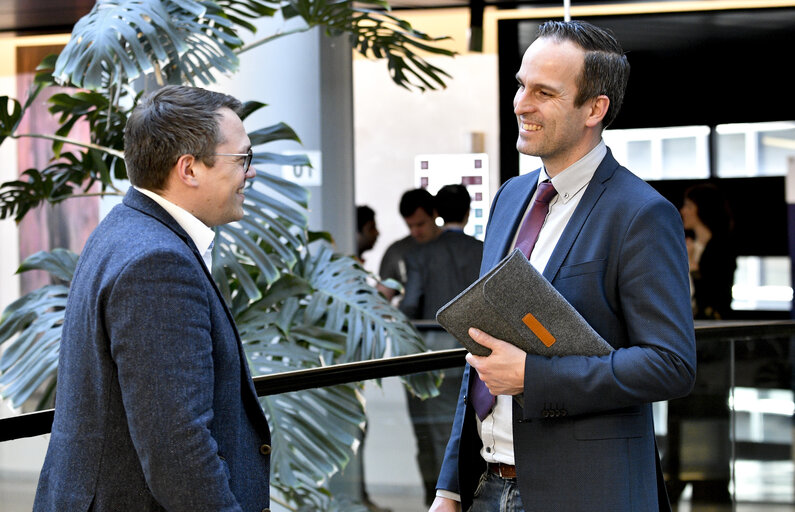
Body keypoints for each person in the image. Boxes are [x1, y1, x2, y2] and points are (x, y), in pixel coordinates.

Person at [431, 20, 696, 512]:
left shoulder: (641, 213)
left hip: (587, 491)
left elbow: (671, 365)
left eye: (544, 93)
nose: (520, 103)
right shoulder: (510, 198)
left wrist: (534, 377)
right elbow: (482, 354)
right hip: (485, 486)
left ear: (595, 108)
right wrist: (450, 485)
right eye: (520, 84)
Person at [33, 85, 272, 511]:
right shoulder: (158, 263)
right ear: (190, 169)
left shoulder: (123, 229)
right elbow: (178, 448)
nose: (250, 173)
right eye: (242, 160)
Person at [399, 184, 483, 506]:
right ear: (467, 211)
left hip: (429, 357)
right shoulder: (482, 249)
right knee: (467, 432)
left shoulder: (420, 254)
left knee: (432, 436)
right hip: (474, 355)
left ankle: (434, 500)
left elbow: (410, 306)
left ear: (437, 213)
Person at [680, 183, 736, 320]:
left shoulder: (721, 249)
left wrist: (692, 265)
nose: (683, 211)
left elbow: (716, 295)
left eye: (689, 206)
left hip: (710, 324)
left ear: (702, 208)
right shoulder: (686, 244)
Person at [378, 188, 441, 301]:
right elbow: (381, 300)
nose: (415, 232)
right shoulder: (396, 252)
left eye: (420, 224)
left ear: (435, 214)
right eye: (409, 226)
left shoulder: (454, 248)